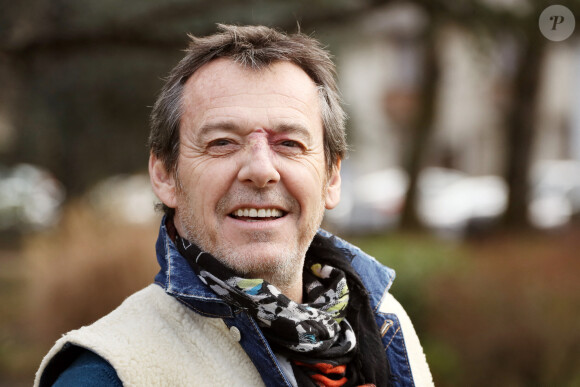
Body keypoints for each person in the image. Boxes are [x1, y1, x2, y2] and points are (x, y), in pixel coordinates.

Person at [35, 24, 433, 387]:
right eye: (222, 142)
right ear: (165, 176)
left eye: (289, 144)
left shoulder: (385, 322)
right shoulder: (108, 374)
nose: (261, 170)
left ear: (331, 177)